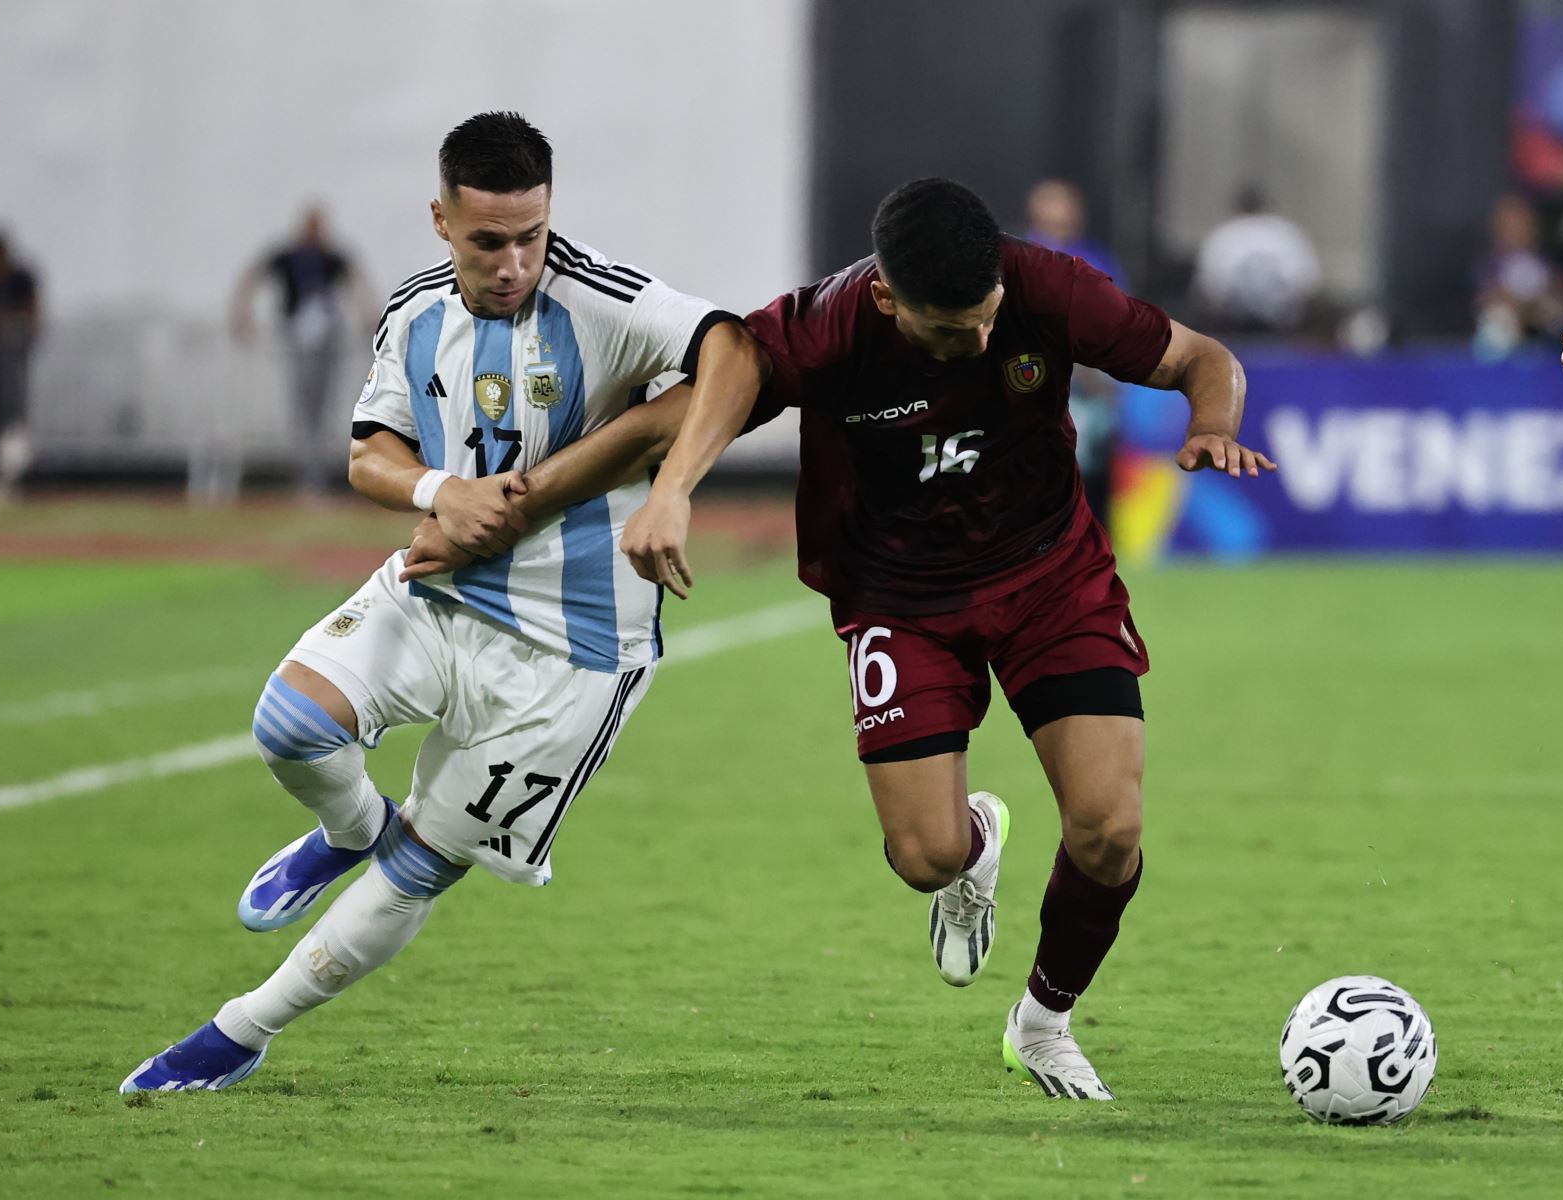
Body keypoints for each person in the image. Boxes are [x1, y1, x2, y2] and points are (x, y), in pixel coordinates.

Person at [406, 178, 1275, 1100]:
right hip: (898, 598)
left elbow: (1201, 358)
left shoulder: (1046, 288)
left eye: (987, 321)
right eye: (950, 333)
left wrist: (1213, 425)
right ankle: (974, 850)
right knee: (923, 858)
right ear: (887, 298)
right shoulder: (825, 332)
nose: (978, 344)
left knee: (1111, 828)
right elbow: (679, 409)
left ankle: (1044, 1023)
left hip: (1051, 574)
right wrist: (550, 506)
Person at [119, 111, 765, 1092]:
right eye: (488, 240)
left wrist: (671, 488)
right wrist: (439, 492)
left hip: (577, 654)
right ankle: (346, 829)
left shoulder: (607, 300)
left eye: (531, 237)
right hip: (445, 589)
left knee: (423, 865)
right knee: (289, 724)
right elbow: (367, 454)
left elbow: (739, 353)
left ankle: (241, 1030)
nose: (514, 263)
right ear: (440, 219)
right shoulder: (415, 313)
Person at [231, 206, 372, 494]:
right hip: (298, 335)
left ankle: (315, 473)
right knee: (304, 406)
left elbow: (357, 281)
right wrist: (242, 314)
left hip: (326, 337)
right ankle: (309, 474)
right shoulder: (287, 256)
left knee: (320, 406)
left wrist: (369, 318)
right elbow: (251, 275)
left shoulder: (332, 256)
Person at [1023, 178, 1122, 525]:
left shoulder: (1097, 260)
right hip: (1031, 391)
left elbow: (1119, 323)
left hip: (1091, 392)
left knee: (1092, 483)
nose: (1060, 214)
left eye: (1065, 204)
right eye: (1051, 204)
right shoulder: (1017, 258)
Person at [1192, 184, 1321, 334]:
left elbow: (1208, 288)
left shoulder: (1222, 235)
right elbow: (1308, 282)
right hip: (1275, 324)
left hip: (1238, 326)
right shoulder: (1287, 234)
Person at [1473, 193, 1563, 356]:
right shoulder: (1488, 268)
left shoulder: (1549, 267)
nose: (1517, 231)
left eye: (1523, 224)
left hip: (1547, 342)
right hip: (1502, 350)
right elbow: (1482, 302)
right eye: (1509, 226)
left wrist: (1535, 306)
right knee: (1498, 320)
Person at [0, 231, 39, 502]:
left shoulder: (22, 279)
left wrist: (13, 329)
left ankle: (12, 475)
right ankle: (1, 474)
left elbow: (33, 316)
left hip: (15, 355)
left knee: (15, 418)